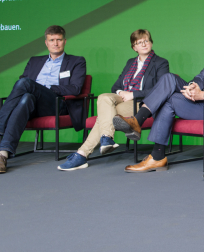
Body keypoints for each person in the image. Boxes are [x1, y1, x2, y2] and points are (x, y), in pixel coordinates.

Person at [113, 19, 204, 173]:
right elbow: (202, 77)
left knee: (168, 100)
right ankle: (139, 124)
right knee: (169, 78)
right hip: (198, 100)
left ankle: (155, 154)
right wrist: (193, 85)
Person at [57, 29, 169, 171]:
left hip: (142, 103)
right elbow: (115, 86)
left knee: (104, 116)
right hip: (123, 98)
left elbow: (160, 89)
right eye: (139, 42)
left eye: (146, 41)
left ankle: (82, 154)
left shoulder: (160, 62)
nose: (144, 44)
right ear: (134, 47)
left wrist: (133, 94)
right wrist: (121, 92)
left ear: (151, 43)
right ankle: (106, 138)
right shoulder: (130, 63)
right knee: (104, 97)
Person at [0, 25, 86, 174]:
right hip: (33, 104)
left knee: (25, 83)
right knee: (26, 97)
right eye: (51, 40)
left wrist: (48, 88)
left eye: (59, 40)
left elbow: (76, 88)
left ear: (65, 41)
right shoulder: (34, 61)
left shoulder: (76, 61)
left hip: (57, 104)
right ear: (46, 42)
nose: (55, 43)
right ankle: (3, 155)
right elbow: (22, 88)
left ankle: (0, 128)